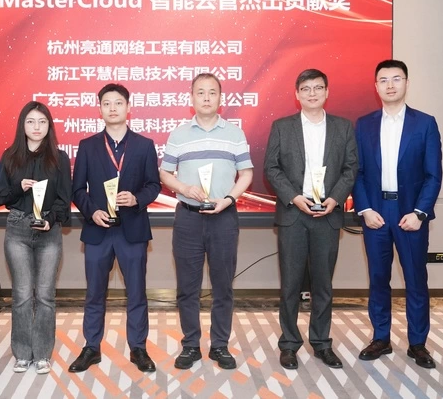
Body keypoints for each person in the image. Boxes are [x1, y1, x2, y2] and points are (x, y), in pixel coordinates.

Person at [264, 69, 358, 370]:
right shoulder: (282, 127)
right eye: (306, 89)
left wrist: (336, 198)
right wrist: (294, 197)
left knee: (323, 285)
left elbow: (351, 168)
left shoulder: (343, 127)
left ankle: (321, 343)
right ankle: (289, 344)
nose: (312, 93)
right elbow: (271, 168)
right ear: (297, 94)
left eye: (318, 88)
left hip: (328, 214)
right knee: (290, 285)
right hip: (294, 213)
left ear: (327, 92)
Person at [159, 73, 253, 370]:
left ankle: (220, 345)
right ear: (191, 98)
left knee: (223, 286)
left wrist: (229, 199)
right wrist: (185, 188)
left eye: (212, 92)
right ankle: (190, 345)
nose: (207, 97)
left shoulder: (234, 133)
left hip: (224, 217)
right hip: (188, 218)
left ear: (221, 98)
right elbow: (165, 173)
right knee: (187, 287)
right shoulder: (179, 134)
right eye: (201, 92)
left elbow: (246, 173)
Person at [353, 60, 443, 369]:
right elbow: (357, 172)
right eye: (383, 80)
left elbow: (433, 175)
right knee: (379, 278)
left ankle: (418, 343)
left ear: (406, 83)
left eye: (396, 79)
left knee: (416, 279)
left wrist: (420, 213)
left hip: (410, 213)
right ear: (375, 86)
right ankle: (381, 337)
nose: (390, 85)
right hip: (376, 213)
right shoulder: (364, 124)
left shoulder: (425, 123)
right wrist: (365, 209)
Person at [69, 83, 161, 373]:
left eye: (118, 103)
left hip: (132, 229)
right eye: (106, 103)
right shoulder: (88, 145)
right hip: (98, 230)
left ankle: (138, 348)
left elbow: (154, 185)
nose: (112, 108)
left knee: (137, 293)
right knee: (94, 293)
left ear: (128, 108)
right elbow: (77, 189)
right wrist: (92, 211)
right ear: (99, 109)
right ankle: (91, 347)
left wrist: (137, 199)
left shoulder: (144, 145)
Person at [0, 101, 71, 375]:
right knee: (22, 295)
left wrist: (51, 220)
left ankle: (43, 354)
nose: (36, 127)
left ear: (49, 126)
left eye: (42, 122)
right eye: (30, 121)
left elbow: (64, 200)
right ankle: (22, 353)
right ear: (22, 125)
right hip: (17, 229)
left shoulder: (59, 158)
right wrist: (19, 187)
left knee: (46, 295)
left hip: (49, 230)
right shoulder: (10, 156)